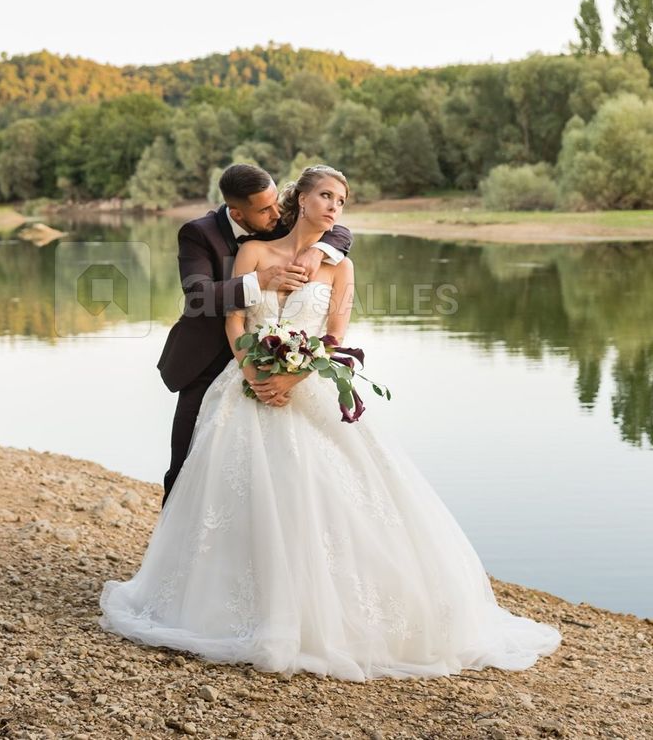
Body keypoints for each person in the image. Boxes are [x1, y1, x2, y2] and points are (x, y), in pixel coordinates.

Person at [101, 164, 562, 680]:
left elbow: (336, 330)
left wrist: (294, 375)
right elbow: (219, 308)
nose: (332, 207)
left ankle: (321, 601)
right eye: (323, 197)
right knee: (199, 476)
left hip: (304, 383)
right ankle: (190, 585)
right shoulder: (229, 242)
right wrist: (252, 365)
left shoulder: (335, 259)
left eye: (340, 201)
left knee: (322, 488)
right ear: (260, 208)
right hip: (226, 374)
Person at [155, 163, 352, 507]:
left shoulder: (282, 220)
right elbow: (199, 296)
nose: (277, 214)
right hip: (209, 361)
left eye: (277, 202)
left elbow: (337, 229)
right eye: (265, 209)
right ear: (238, 213)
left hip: (291, 367)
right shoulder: (199, 234)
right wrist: (260, 280)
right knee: (187, 466)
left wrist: (317, 250)